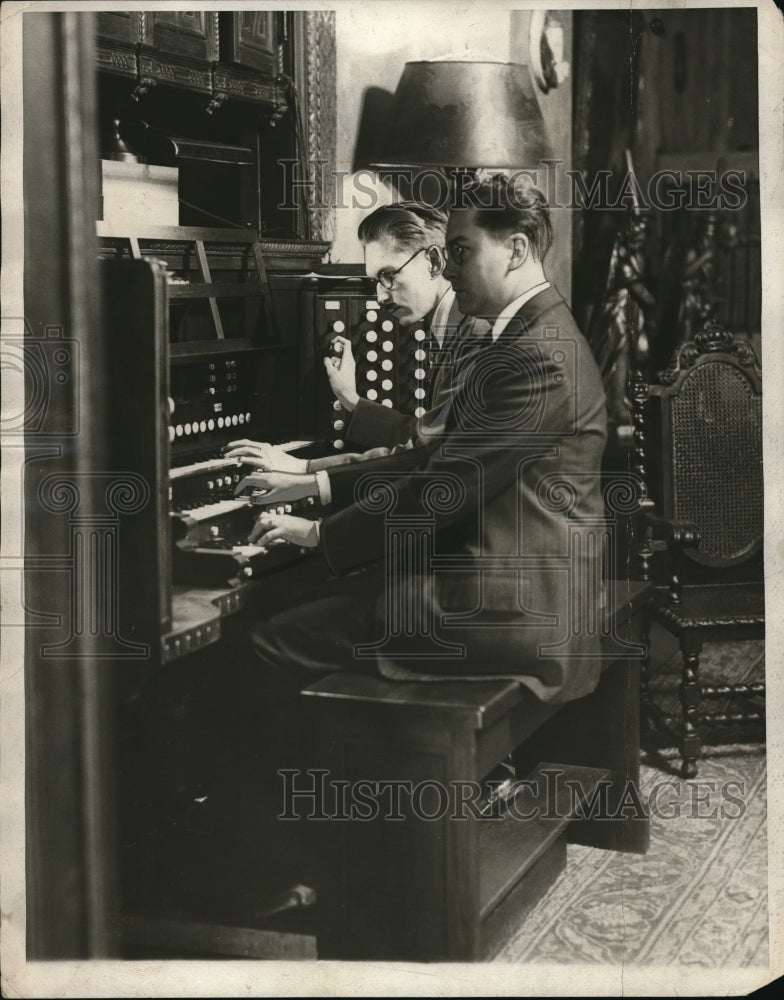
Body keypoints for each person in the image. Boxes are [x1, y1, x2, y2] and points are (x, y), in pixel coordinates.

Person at [242, 175, 607, 768]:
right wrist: (317, 491)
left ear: (514, 250)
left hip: (511, 608)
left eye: (460, 253)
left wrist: (317, 533)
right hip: (517, 582)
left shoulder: (534, 357)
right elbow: (432, 463)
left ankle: (311, 833)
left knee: (273, 635)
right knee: (311, 593)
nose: (449, 266)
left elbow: (439, 490)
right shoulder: (524, 334)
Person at [225, 202, 489, 477]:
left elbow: (424, 453)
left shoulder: (475, 336)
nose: (380, 296)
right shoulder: (459, 326)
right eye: (375, 281)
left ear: (434, 262)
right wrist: (351, 399)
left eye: (388, 276)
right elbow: (426, 437)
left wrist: (306, 468)